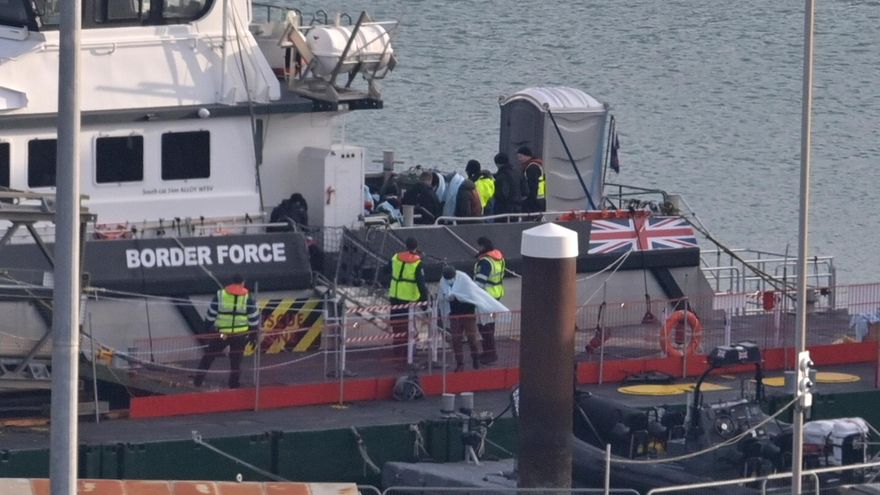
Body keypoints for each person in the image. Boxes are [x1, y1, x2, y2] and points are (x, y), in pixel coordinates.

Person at [193, 274, 260, 389]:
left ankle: (197, 381)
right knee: (236, 361)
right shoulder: (247, 297)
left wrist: (207, 328)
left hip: (222, 334)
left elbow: (211, 314)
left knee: (209, 356)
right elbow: (253, 318)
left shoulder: (221, 294)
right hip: (240, 335)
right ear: (243, 282)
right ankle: (233, 385)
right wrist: (253, 335)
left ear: (232, 281)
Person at [387, 237, 429, 359]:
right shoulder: (417, 263)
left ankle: (397, 350)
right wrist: (424, 303)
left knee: (396, 324)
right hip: (407, 299)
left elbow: (387, 269)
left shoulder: (396, 257)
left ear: (406, 245)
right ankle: (408, 353)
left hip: (394, 296)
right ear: (416, 246)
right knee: (407, 326)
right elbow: (421, 284)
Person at [440, 265, 482, 371]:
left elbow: (472, 293)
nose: (449, 280)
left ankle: (475, 358)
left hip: (468, 313)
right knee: (456, 340)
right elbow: (444, 296)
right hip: (455, 314)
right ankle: (460, 363)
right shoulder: (443, 281)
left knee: (472, 338)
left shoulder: (464, 279)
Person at [473, 236, 505, 364]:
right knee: (490, 324)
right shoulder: (499, 258)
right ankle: (488, 352)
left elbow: (479, 282)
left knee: (484, 325)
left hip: (485, 298)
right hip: (496, 296)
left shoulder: (485, 262)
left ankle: (490, 353)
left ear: (482, 246)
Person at [492, 152, 525, 218]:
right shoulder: (518, 173)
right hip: (518, 207)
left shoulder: (501, 176)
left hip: (504, 209)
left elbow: (503, 194)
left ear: (497, 164)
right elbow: (525, 191)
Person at [516, 146, 546, 213]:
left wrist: (529, 201)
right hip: (542, 198)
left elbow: (533, 185)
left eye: (520, 157)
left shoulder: (531, 168)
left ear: (527, 156)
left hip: (535, 199)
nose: (519, 159)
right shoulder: (538, 164)